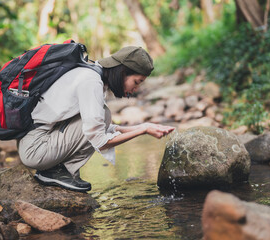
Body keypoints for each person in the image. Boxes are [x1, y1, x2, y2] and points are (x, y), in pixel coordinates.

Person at [18, 46, 175, 192]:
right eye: (136, 82)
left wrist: (144, 127)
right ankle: (54, 172)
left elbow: (104, 128)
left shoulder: (92, 74)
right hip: (36, 149)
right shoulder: (91, 81)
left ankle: (56, 170)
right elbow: (100, 141)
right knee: (104, 116)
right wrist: (142, 130)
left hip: (37, 141)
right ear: (123, 72)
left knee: (103, 117)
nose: (136, 89)